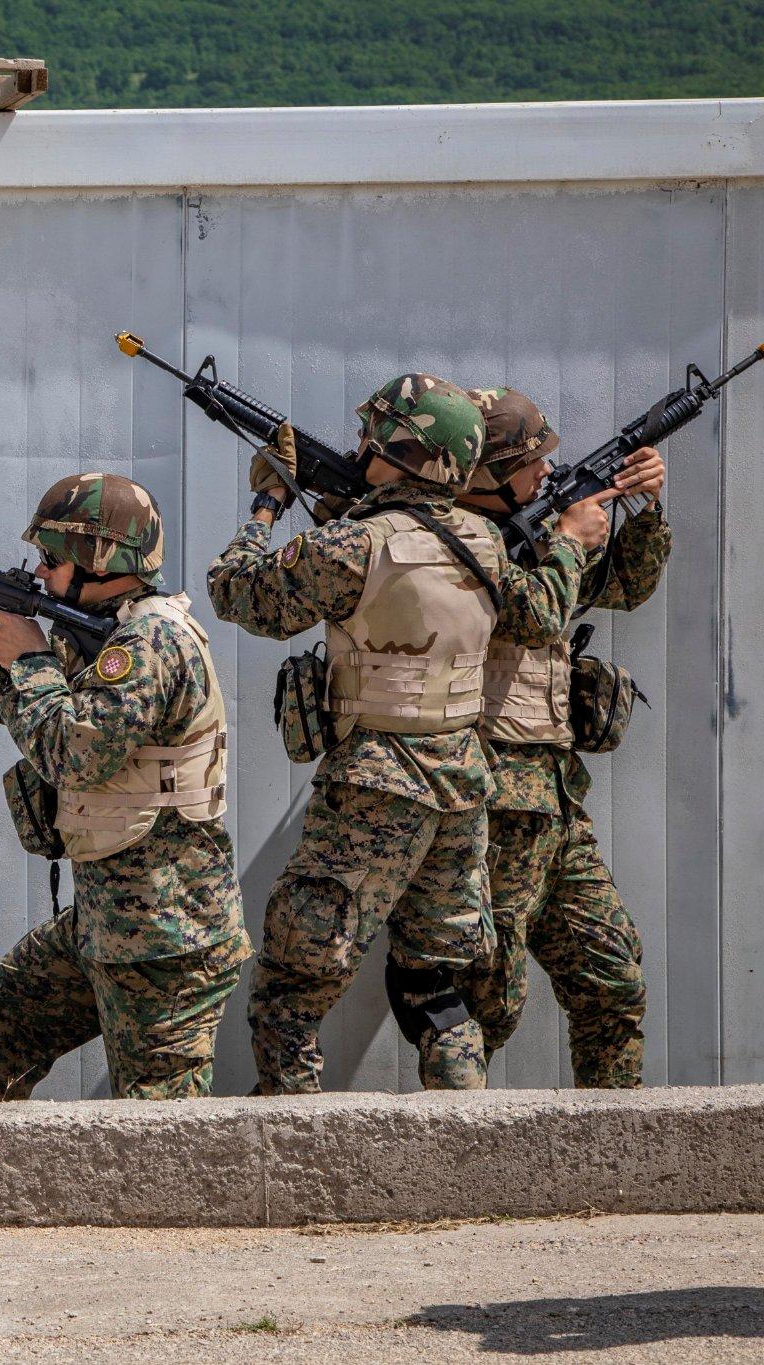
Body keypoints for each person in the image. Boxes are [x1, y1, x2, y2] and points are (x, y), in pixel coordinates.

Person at [207, 373, 610, 1093]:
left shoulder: (351, 545)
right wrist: (572, 546)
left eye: (374, 433)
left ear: (402, 448)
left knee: (293, 988)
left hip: (373, 784)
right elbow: (543, 613)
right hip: (461, 788)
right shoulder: (485, 541)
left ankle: (288, 1148)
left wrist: (267, 504)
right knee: (437, 985)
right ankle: (461, 1134)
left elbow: (238, 591)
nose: (361, 442)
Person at [0, 473, 249, 1101]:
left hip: (166, 939)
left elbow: (71, 756)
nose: (40, 572)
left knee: (161, 1138)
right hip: (108, 923)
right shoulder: (104, 633)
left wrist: (28, 658)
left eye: (52, 559)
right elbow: (15, 710)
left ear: (100, 560)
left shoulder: (149, 643)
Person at [455, 388, 668, 1086]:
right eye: (530, 462)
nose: (547, 472)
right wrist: (570, 541)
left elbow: (629, 585)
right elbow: (525, 616)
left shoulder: (546, 536)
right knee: (488, 998)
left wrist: (644, 509)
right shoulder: (455, 544)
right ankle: (456, 1164)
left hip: (556, 803)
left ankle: (615, 1154)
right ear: (485, 472)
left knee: (611, 973)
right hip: (490, 805)